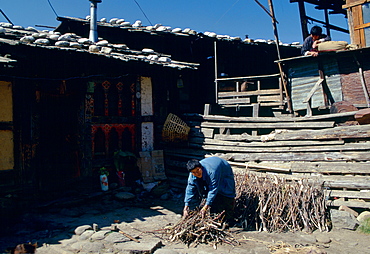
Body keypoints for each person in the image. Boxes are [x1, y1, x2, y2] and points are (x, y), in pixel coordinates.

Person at [183, 157, 236, 225]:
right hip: (211, 170)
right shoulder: (192, 175)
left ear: (201, 167)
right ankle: (216, 217)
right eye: (194, 172)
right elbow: (190, 189)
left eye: (197, 170)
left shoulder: (212, 172)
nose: (196, 173)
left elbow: (213, 189)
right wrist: (186, 206)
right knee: (211, 197)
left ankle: (229, 219)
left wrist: (206, 206)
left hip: (223, 169)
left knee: (227, 192)